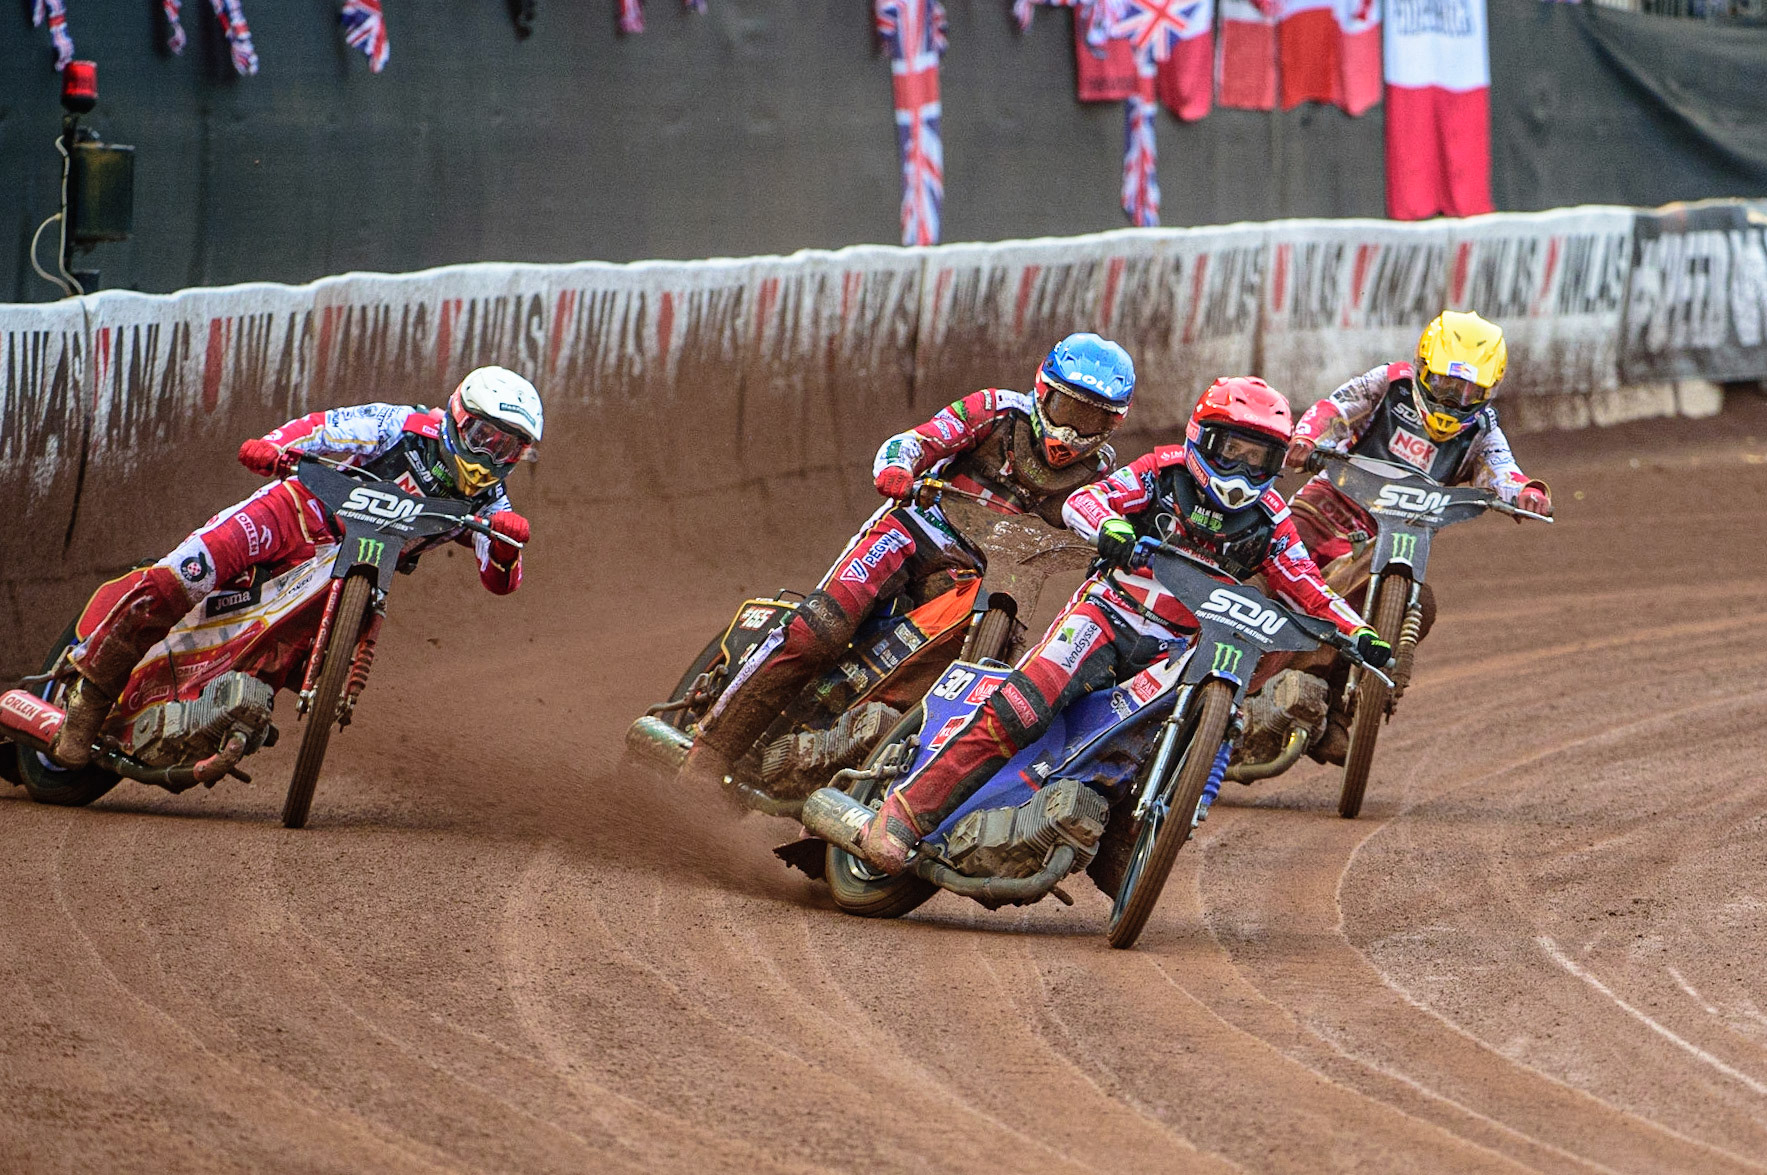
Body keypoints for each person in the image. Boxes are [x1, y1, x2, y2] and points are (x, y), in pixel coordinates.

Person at [849, 376, 1390, 874]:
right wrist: (1109, 525)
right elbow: (1087, 500)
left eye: (1260, 458)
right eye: (1234, 452)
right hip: (1108, 616)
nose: (1243, 471)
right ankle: (904, 814)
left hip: (1179, 648)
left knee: (1176, 742)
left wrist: (1360, 634)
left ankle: (1118, 849)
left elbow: (1308, 587)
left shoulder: (1271, 518)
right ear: (1204, 438)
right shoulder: (1161, 469)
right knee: (1025, 705)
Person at [680, 332, 1137, 790]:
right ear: (1043, 393)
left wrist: (1120, 546)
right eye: (1068, 410)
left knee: (980, 659)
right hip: (915, 532)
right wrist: (898, 469)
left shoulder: (1098, 475)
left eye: (1092, 418)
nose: (1072, 432)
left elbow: (1103, 519)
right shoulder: (996, 410)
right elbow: (916, 441)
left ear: (1112, 424)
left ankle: (861, 746)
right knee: (821, 629)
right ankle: (709, 751)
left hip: (975, 575)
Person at [49, 366, 541, 769]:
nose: (487, 456)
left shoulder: (491, 504)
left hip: (351, 570)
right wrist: (273, 445)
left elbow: (500, 581)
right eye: (481, 436)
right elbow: (327, 426)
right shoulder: (405, 426)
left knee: (295, 657)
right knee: (189, 570)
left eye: (505, 448)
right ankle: (88, 700)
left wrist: (506, 548)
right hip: (295, 514)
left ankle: (229, 709)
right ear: (458, 417)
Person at [1278, 310, 1550, 762]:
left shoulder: (1482, 430)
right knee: (1264, 563)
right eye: (1445, 386)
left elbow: (1504, 470)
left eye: (1469, 393)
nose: (1452, 402)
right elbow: (1335, 409)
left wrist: (1526, 494)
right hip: (1327, 509)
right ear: (1423, 369)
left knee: (1420, 606)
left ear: (1489, 393)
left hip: (1394, 541)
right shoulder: (1387, 384)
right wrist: (1308, 438)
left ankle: (1341, 710)